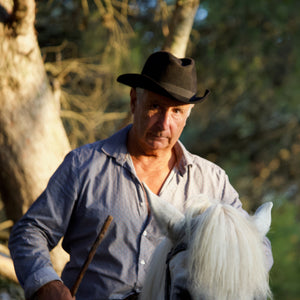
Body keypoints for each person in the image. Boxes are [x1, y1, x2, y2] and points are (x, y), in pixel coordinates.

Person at [9, 51, 273, 300]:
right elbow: (30, 232)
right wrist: (45, 283)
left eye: (176, 111)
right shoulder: (83, 166)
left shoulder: (213, 181)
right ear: (135, 100)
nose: (164, 123)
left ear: (187, 115)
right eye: (155, 106)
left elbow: (258, 247)